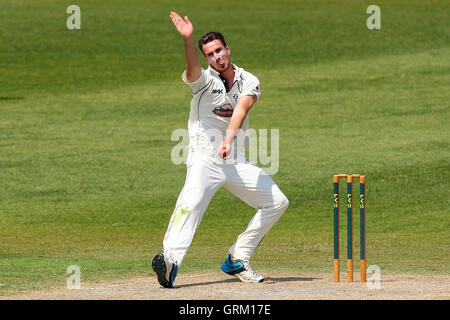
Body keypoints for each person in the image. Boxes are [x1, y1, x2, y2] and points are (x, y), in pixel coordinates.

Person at [151, 11, 289, 288]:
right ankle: (170, 262)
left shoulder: (249, 80)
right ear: (206, 58)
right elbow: (191, 69)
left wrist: (228, 139)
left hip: (235, 159)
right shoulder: (203, 81)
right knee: (190, 204)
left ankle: (238, 257)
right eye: (210, 54)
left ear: (228, 49)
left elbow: (241, 109)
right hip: (205, 158)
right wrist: (188, 40)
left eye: (219, 51)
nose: (216, 57)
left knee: (277, 202)